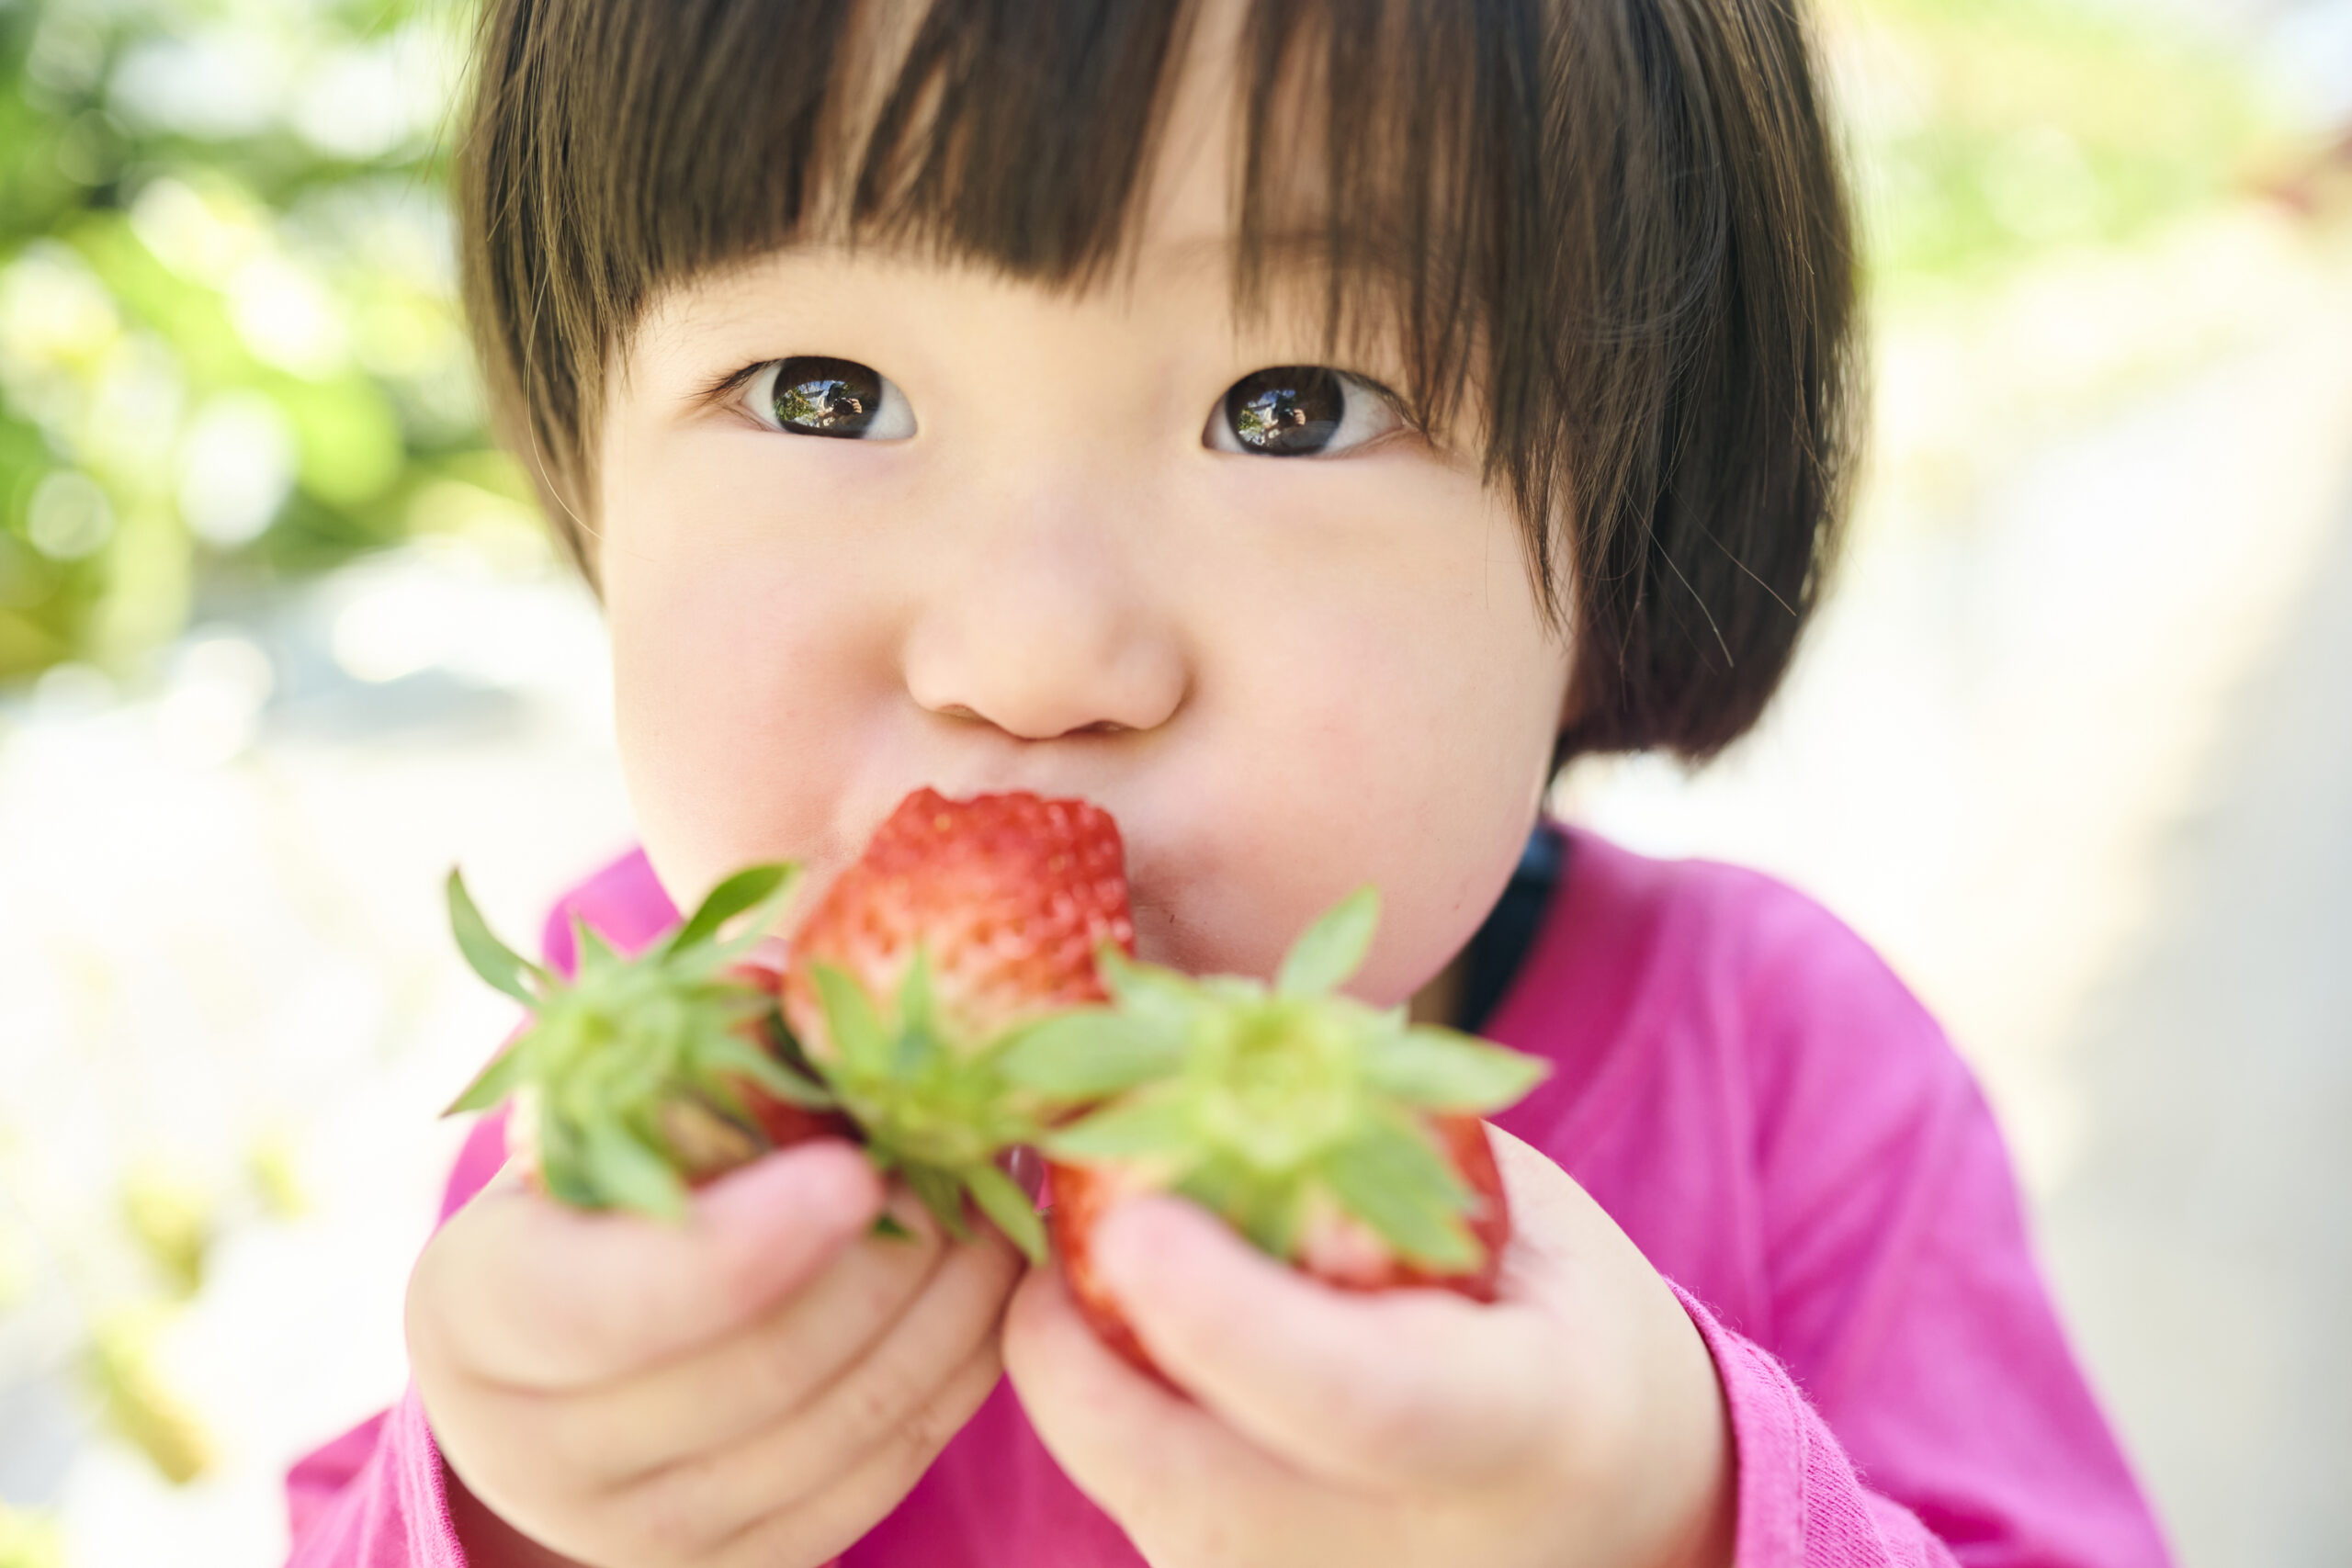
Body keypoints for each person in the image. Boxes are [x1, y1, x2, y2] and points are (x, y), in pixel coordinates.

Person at [286, 1, 2175, 1564]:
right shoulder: (646, 1068)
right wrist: (509, 1502)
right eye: (819, 392)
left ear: (1616, 545)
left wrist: (1687, 1516)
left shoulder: (1777, 1073)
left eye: (1293, 407)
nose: (1029, 658)